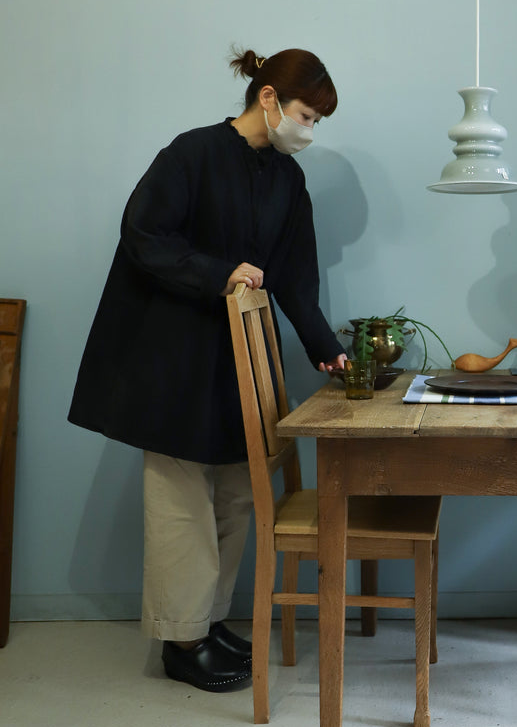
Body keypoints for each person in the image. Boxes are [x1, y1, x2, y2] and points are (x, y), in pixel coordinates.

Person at [68, 47, 347, 693]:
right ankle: (180, 639)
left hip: (238, 362)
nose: (310, 130)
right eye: (308, 115)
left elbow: (296, 281)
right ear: (270, 98)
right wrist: (217, 271)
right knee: (179, 499)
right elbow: (143, 234)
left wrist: (325, 349)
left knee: (236, 494)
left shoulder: (286, 179)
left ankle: (206, 621)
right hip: (171, 356)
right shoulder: (190, 153)